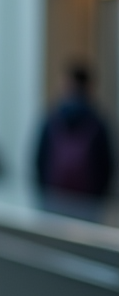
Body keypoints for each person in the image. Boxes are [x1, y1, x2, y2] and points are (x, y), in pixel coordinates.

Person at [36, 64, 113, 199]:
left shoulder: (53, 118)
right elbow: (106, 167)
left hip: (53, 197)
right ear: (89, 86)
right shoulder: (97, 122)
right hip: (88, 201)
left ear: (67, 84)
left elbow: (40, 159)